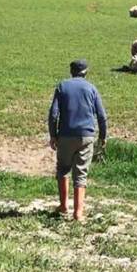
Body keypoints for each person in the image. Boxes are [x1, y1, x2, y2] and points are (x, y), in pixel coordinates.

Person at [47, 59, 108, 221]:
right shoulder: (91, 88)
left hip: (65, 135)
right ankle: (78, 212)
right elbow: (101, 115)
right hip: (86, 135)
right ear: (86, 72)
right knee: (81, 173)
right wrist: (102, 136)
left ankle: (63, 206)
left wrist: (53, 134)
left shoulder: (62, 86)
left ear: (71, 71)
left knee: (63, 169)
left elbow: (53, 114)